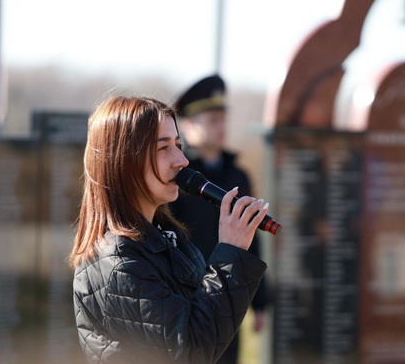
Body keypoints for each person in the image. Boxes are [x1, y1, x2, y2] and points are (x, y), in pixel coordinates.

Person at [69, 95, 270, 364]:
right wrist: (230, 254)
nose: (182, 160)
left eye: (178, 145)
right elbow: (190, 351)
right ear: (123, 160)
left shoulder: (168, 238)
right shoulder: (119, 263)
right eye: (163, 148)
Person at [169, 75, 269, 364]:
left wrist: (259, 302)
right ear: (189, 125)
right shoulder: (177, 177)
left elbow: (251, 239)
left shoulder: (237, 175)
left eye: (224, 119)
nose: (221, 127)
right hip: (187, 295)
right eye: (213, 120)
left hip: (230, 291)